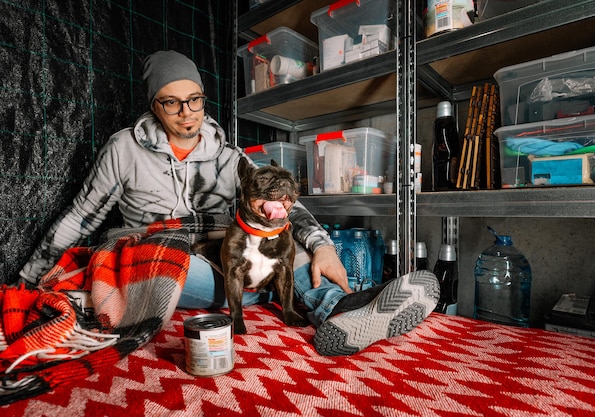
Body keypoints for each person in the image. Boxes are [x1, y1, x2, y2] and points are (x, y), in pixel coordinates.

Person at [18, 50, 439, 356]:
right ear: (154, 105)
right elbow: (81, 214)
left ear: (203, 97)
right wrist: (30, 277)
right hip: (165, 255)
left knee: (278, 241)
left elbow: (283, 205)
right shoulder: (124, 148)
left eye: (195, 99)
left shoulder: (228, 154)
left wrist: (323, 245)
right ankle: (266, 293)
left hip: (229, 252)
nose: (187, 113)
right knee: (180, 260)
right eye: (171, 102)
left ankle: (344, 314)